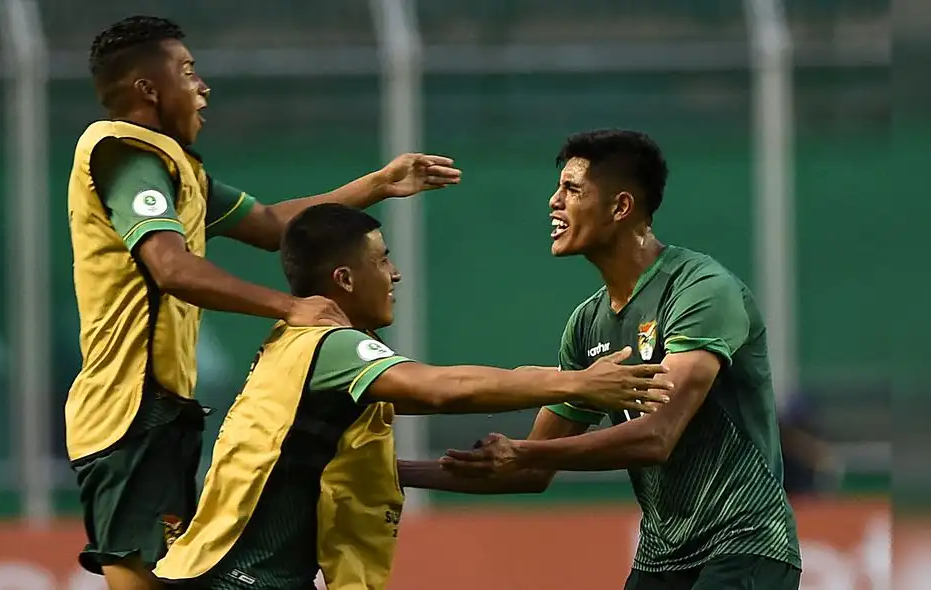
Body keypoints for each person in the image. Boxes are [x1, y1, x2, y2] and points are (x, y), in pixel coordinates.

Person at [67, 15, 461, 590]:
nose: (203, 87)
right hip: (127, 407)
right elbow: (171, 268)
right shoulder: (125, 154)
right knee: (141, 574)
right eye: (187, 72)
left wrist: (377, 184)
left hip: (160, 408)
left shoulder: (180, 170)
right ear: (147, 88)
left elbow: (272, 224)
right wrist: (288, 306)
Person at [152, 203, 673, 590]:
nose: (395, 273)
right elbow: (443, 390)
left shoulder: (295, 348)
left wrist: (419, 469)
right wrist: (577, 383)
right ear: (344, 279)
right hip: (242, 579)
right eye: (382, 261)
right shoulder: (330, 345)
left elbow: (394, 426)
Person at [400, 130, 803, 590]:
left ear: (620, 207)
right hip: (661, 557)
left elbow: (657, 435)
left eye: (571, 189)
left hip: (744, 543)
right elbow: (531, 473)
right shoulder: (587, 324)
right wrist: (394, 473)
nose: (554, 202)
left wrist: (523, 451)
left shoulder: (701, 290)